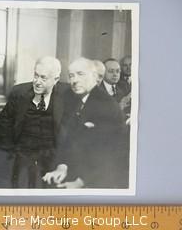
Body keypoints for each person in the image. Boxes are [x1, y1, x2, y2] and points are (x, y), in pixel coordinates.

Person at [42, 57, 128, 189]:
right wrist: (61, 167)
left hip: (100, 178)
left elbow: (110, 153)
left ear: (94, 76)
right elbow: (66, 140)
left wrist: (80, 182)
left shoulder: (107, 105)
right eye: (71, 76)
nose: (74, 80)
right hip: (76, 170)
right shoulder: (70, 99)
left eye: (80, 74)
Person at [0, 56, 68, 188]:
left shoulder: (67, 95)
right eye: (36, 76)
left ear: (56, 80)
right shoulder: (19, 92)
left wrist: (62, 162)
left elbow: (71, 133)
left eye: (43, 78)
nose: (37, 82)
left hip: (51, 159)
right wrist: (11, 152)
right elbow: (4, 122)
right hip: (22, 156)